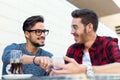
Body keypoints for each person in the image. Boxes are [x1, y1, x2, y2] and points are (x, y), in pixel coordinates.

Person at [51, 9, 120, 75]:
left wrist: (84, 70)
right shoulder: (72, 49)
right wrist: (52, 70)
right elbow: (64, 72)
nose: (71, 32)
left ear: (89, 27)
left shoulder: (108, 44)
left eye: (75, 27)